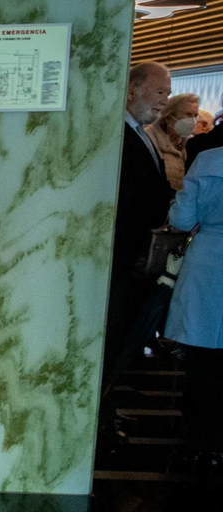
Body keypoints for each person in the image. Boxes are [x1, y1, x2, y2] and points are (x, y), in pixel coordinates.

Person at [103, 62, 173, 399]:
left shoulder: (143, 135)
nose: (164, 100)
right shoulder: (115, 134)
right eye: (159, 92)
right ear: (131, 90)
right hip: (119, 258)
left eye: (168, 94)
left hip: (136, 260)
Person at [165, 148, 223, 474]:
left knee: (201, 362)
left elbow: (182, 219)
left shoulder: (208, 161)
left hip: (207, 264)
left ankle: (196, 441)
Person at [149, 92, 200, 191]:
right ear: (168, 117)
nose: (193, 120)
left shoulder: (190, 143)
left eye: (195, 115)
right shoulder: (150, 139)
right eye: (188, 114)